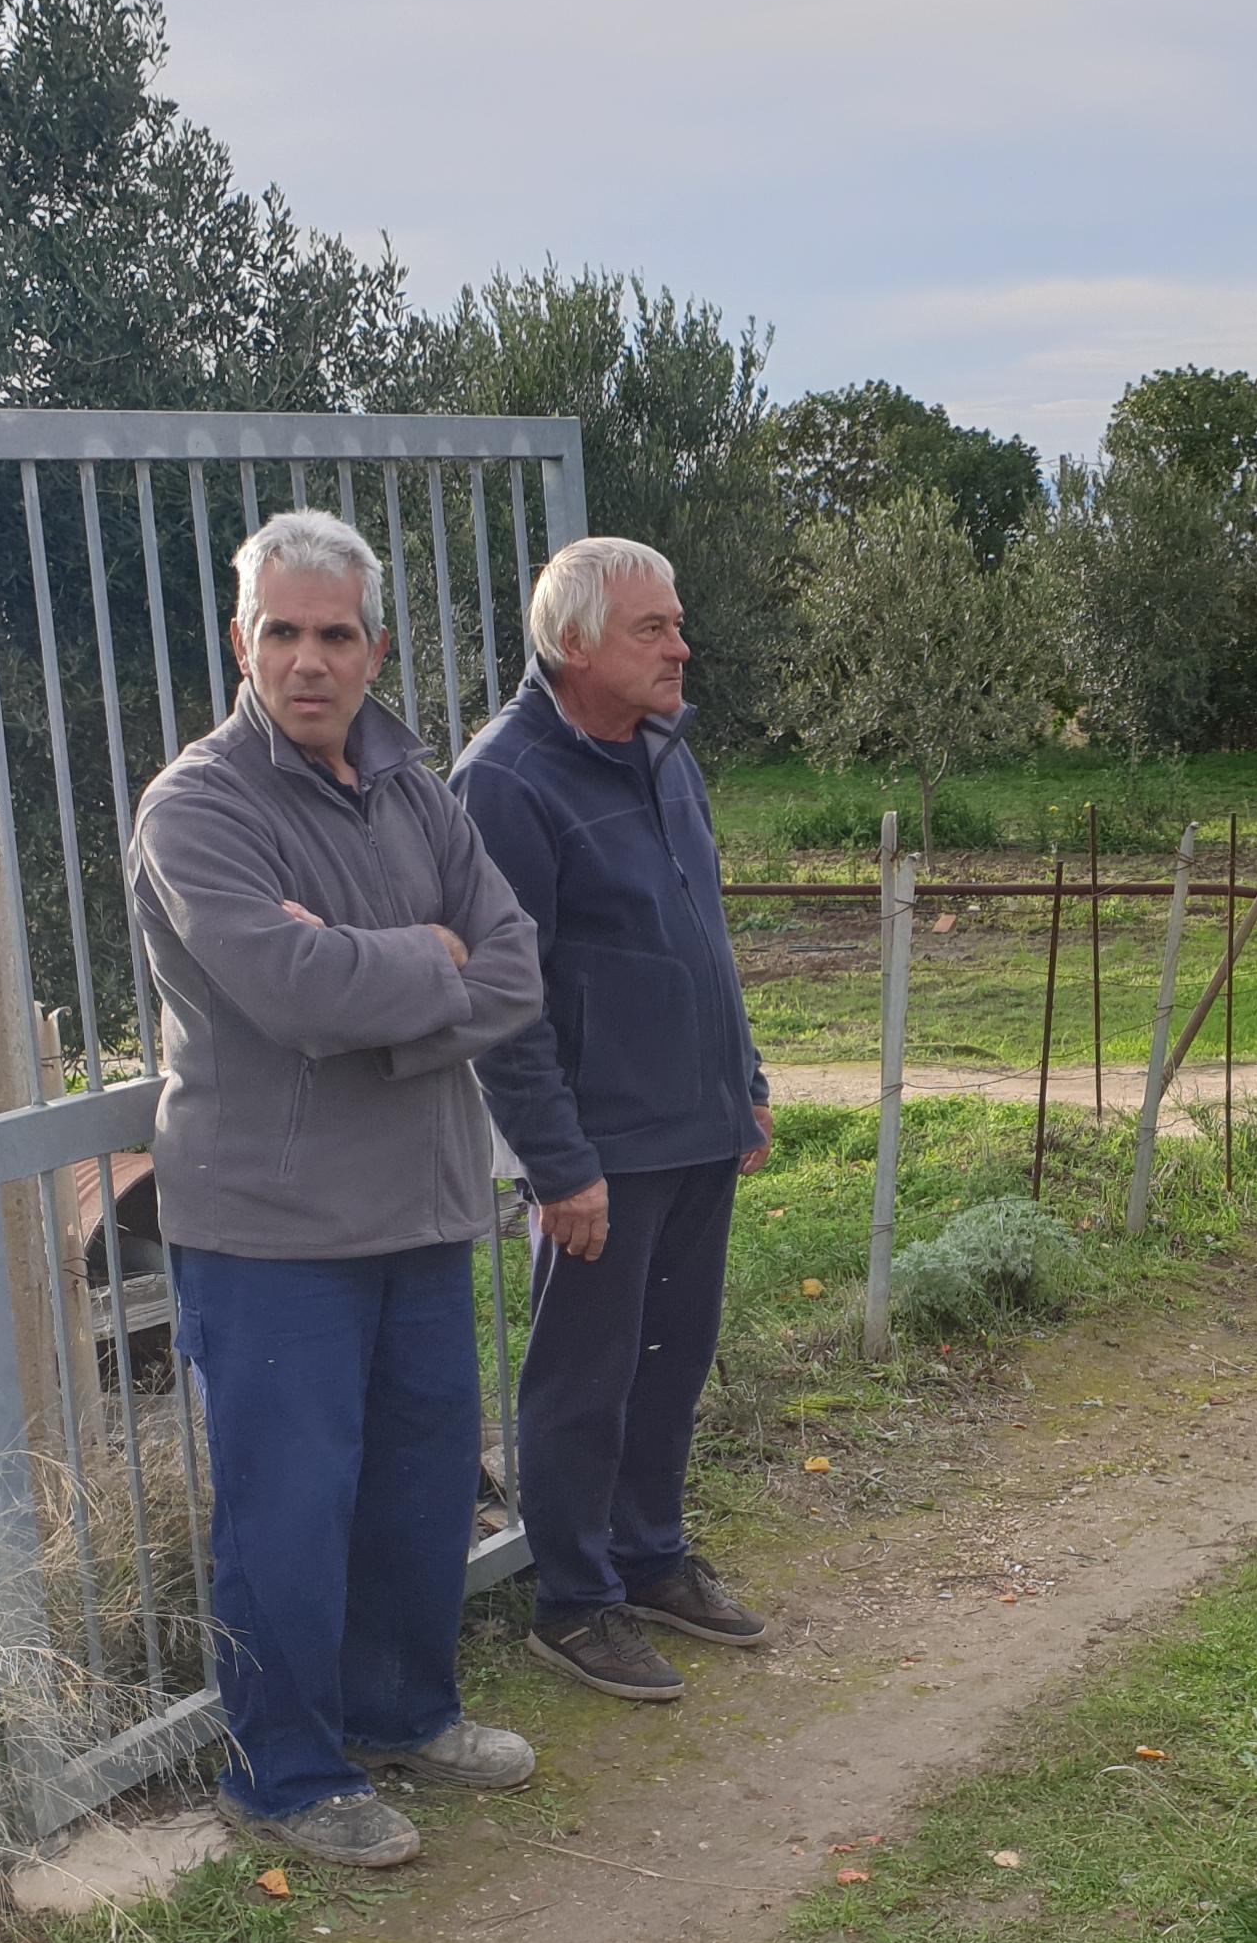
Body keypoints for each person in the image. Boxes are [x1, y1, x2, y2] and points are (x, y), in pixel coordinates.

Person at [128, 509, 546, 1870]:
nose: (310, 661)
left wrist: (394, 977)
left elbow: (516, 967)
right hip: (273, 1232)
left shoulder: (421, 794)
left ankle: (404, 1712)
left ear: (377, 647)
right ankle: (286, 1772)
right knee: (287, 1509)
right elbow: (288, 993)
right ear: (241, 642)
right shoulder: (196, 807)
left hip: (421, 1206)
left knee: (422, 1487)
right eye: (283, 633)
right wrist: (428, 968)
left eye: (337, 634)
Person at [452, 536, 774, 1704]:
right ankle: (574, 1602)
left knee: (672, 1358)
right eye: (655, 629)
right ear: (572, 643)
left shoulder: (662, 750)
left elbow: (702, 938)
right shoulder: (507, 780)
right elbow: (507, 1001)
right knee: (581, 1379)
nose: (682, 646)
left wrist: (744, 1081)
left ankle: (649, 1558)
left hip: (696, 1123)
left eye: (678, 624)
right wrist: (558, 1164)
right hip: (599, 1151)